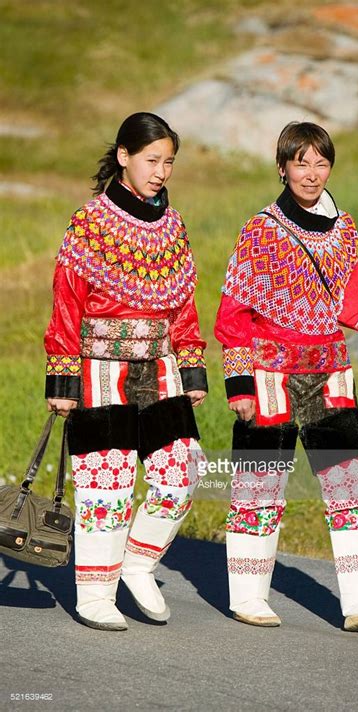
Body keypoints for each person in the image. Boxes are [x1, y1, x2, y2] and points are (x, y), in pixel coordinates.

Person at [214, 121, 358, 632]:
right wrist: (239, 386)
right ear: (282, 167)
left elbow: (343, 306)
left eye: (321, 163)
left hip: (331, 368)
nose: (312, 173)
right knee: (260, 485)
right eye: (301, 162)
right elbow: (231, 315)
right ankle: (248, 596)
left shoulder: (347, 229)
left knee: (354, 483)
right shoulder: (261, 229)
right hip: (269, 370)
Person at [44, 112, 208, 631]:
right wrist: (63, 381)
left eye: (169, 162)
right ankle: (95, 591)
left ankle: (138, 565)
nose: (161, 171)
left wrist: (193, 366)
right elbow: (67, 302)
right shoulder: (89, 221)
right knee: (106, 485)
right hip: (99, 368)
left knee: (182, 473)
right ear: (123, 156)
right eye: (152, 160)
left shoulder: (174, 224)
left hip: (161, 369)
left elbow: (184, 303)